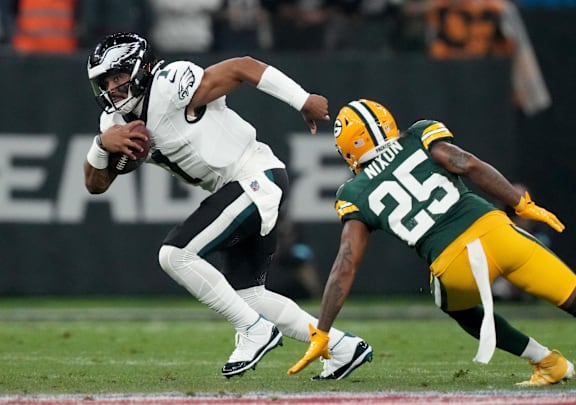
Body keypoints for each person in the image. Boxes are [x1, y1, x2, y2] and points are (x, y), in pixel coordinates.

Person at [287, 99, 576, 388]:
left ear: (347, 146)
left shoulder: (353, 191)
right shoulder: (419, 135)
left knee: (452, 304)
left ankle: (546, 361)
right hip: (496, 230)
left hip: (452, 265)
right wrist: (519, 201)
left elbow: (345, 263)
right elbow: (466, 164)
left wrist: (323, 330)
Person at [82, 32, 372, 380]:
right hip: (240, 188)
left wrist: (302, 99)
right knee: (250, 296)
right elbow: (95, 185)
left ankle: (254, 332)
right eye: (106, 81)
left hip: (255, 176)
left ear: (142, 69)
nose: (113, 88)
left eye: (118, 77)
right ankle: (341, 348)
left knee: (175, 254)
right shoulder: (114, 124)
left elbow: (242, 67)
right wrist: (100, 146)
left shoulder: (170, 86)